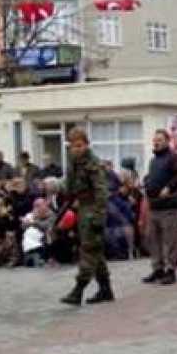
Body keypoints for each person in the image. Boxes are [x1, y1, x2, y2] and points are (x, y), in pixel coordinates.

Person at [60, 127, 114, 306]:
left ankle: (78, 290)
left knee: (89, 250)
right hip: (82, 207)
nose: (76, 149)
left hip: (93, 209)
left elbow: (102, 192)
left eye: (80, 145)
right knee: (95, 251)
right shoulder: (74, 162)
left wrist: (98, 216)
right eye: (73, 146)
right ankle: (105, 289)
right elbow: (71, 187)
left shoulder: (93, 164)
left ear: (86, 144)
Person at [142, 130, 177, 285]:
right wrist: (147, 184)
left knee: (170, 240)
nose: (156, 142)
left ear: (167, 141)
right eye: (154, 140)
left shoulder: (173, 157)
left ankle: (171, 270)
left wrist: (169, 187)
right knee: (153, 240)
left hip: (169, 206)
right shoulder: (153, 161)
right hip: (154, 205)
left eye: (160, 140)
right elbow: (151, 177)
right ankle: (157, 269)